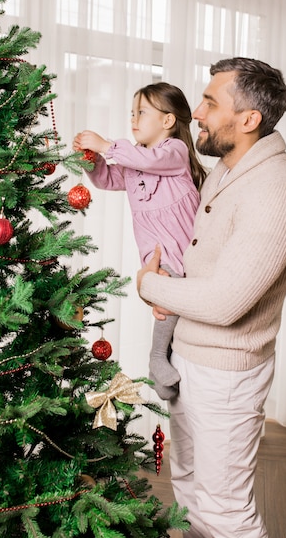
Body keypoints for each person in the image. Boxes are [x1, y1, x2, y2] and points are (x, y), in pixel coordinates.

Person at [137, 58, 286, 538]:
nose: (196, 111)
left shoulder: (278, 193)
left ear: (249, 119)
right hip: (188, 357)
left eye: (211, 102)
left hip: (227, 376)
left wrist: (152, 286)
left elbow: (224, 302)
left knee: (225, 508)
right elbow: (210, 270)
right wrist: (174, 288)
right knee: (191, 489)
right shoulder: (226, 171)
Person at [73, 82, 207, 399]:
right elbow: (109, 178)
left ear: (168, 121)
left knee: (179, 304)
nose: (133, 119)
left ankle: (159, 361)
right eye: (131, 113)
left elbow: (149, 162)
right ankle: (159, 359)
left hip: (180, 242)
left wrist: (106, 144)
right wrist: (91, 158)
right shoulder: (136, 161)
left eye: (142, 112)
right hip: (156, 249)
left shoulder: (175, 151)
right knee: (167, 296)